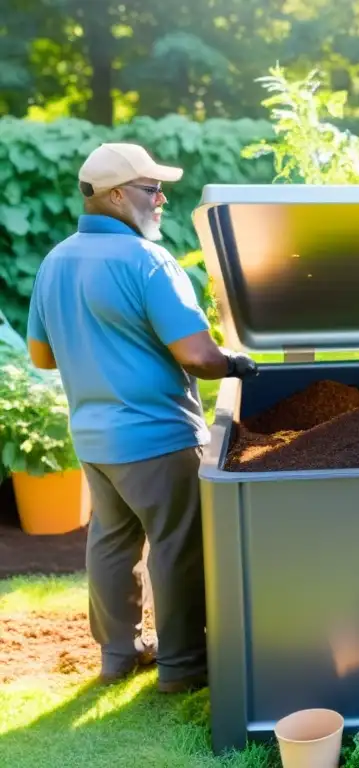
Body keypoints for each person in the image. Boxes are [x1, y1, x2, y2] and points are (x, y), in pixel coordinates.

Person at [26, 142, 258, 694]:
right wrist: (235, 363)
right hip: (157, 437)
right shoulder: (147, 261)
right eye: (152, 189)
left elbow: (41, 357)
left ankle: (117, 655)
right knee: (177, 545)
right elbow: (199, 357)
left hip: (95, 440)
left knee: (111, 542)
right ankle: (182, 668)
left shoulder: (55, 260)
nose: (162, 199)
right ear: (115, 195)